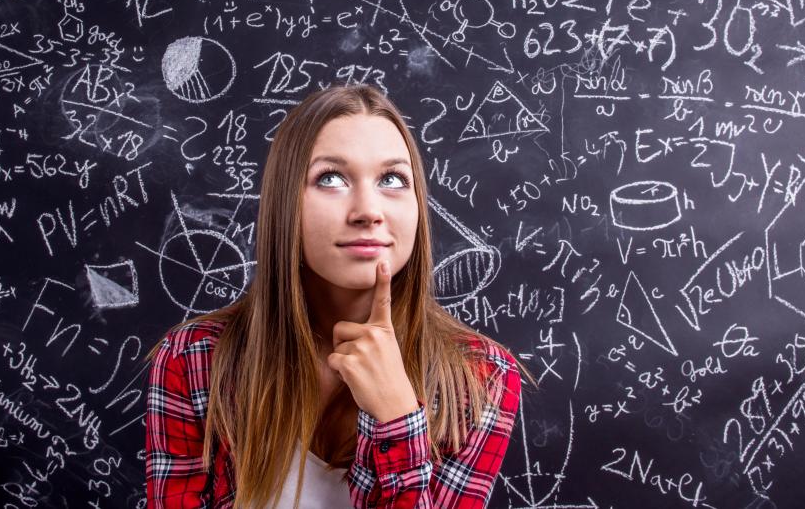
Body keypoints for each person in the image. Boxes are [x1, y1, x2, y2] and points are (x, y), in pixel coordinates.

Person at [145, 84, 534, 508]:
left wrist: (398, 421)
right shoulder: (195, 360)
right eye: (330, 179)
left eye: (392, 179)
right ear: (285, 203)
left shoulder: (479, 379)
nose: (368, 210)